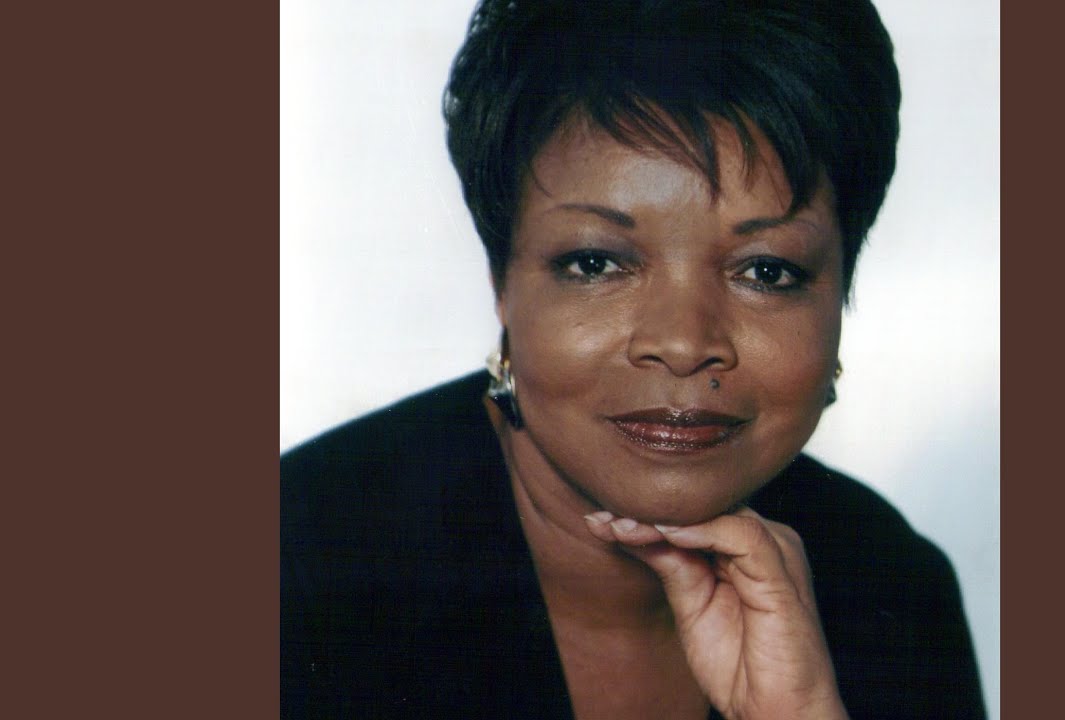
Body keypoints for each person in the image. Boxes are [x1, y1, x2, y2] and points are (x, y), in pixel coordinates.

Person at [281, 1, 986, 718]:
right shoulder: (298, 565)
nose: (683, 343)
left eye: (766, 271)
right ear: (502, 282)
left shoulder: (896, 590)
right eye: (596, 262)